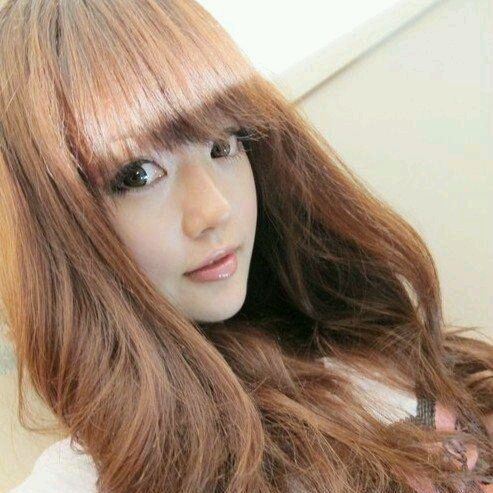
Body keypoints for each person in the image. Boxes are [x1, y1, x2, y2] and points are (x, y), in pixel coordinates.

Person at [0, 1, 490, 492]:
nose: (215, 209)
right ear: (53, 229)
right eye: (138, 175)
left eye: (224, 145)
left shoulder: (350, 333)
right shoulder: (88, 479)